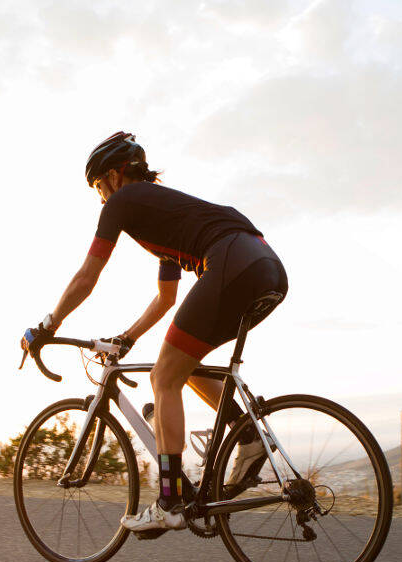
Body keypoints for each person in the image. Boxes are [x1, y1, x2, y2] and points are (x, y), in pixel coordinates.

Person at [24, 132, 287, 535]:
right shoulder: (163, 211)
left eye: (98, 186)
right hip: (265, 266)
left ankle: (170, 501)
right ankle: (244, 433)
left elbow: (86, 276)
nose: (99, 197)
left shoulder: (124, 202)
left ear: (113, 176)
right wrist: (127, 338)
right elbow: (166, 299)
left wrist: (47, 326)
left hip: (232, 262)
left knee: (162, 377)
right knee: (184, 363)